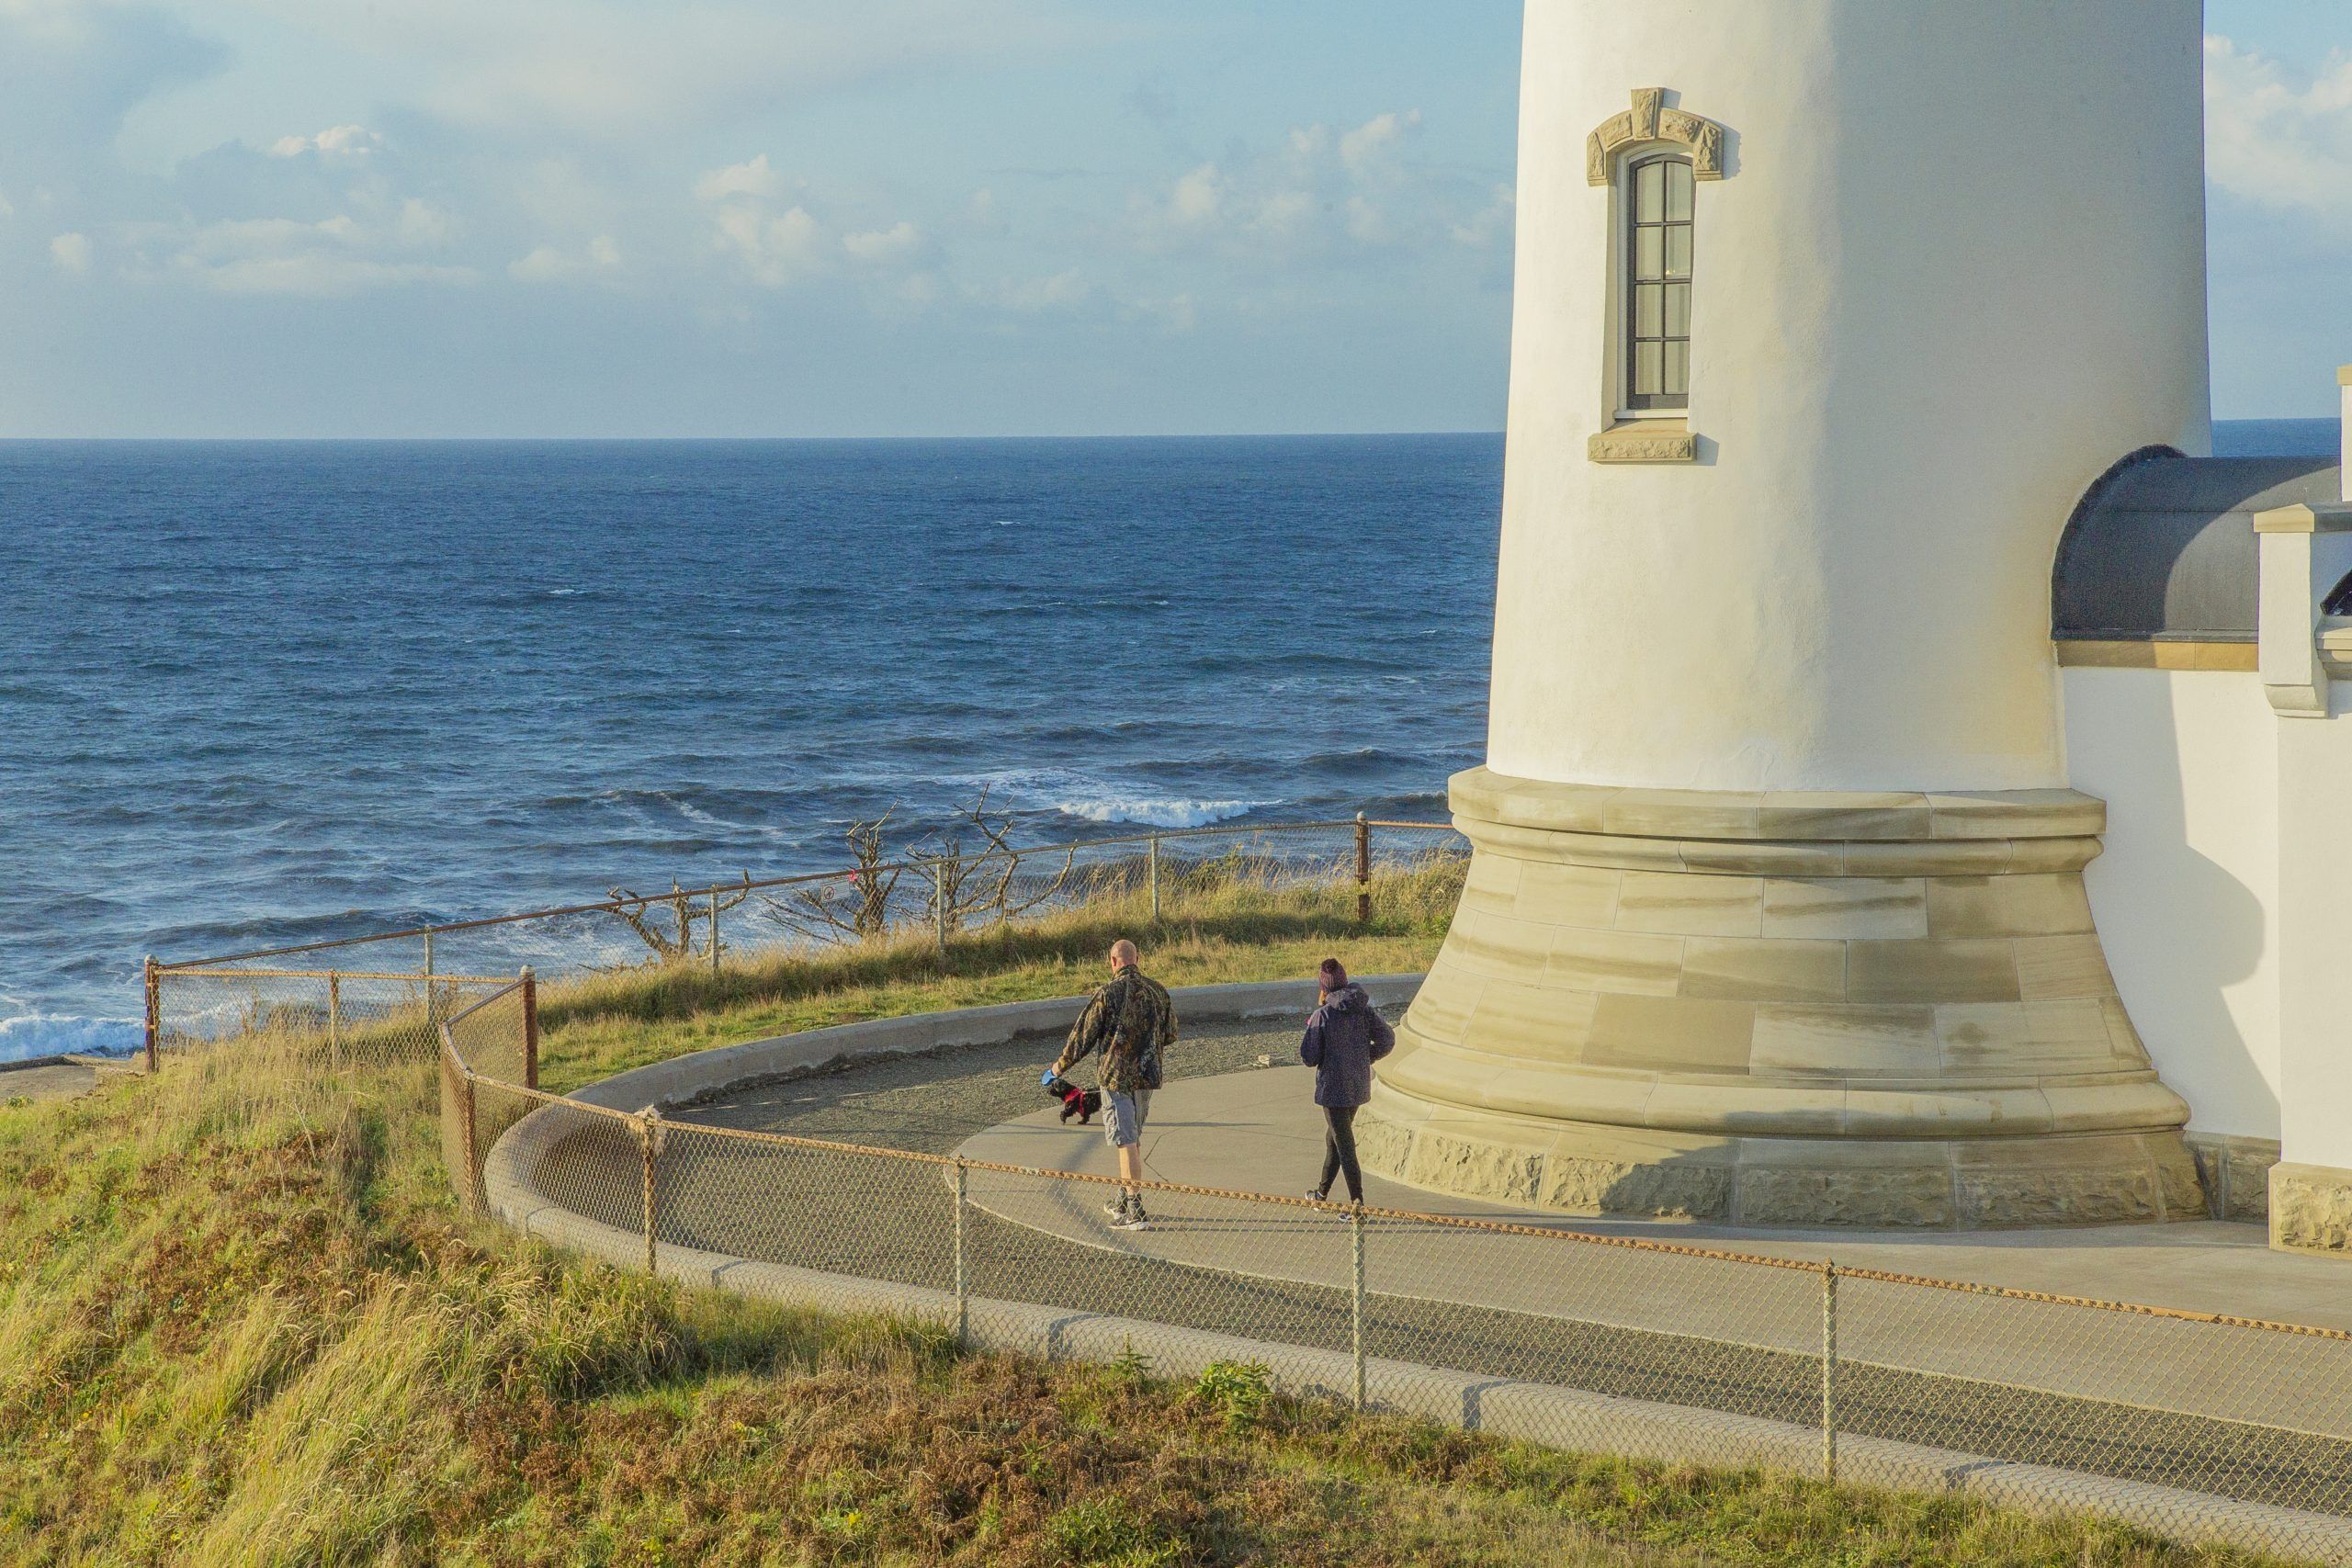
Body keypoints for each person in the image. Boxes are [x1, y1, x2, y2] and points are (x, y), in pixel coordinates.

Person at [1045, 938, 1176, 1231]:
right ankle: (1122, 1196)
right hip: (1147, 1075)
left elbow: (1082, 1037)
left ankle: (1135, 1207)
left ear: (1113, 962)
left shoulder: (1108, 993)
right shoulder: (1158, 992)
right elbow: (1171, 1033)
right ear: (1137, 959)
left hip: (1116, 1077)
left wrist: (1058, 1067)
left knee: (1124, 1139)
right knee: (1133, 1138)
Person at [1299, 958, 1393, 1206]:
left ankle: (1357, 1203)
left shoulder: (1323, 1016)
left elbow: (1309, 1057)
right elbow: (1387, 1039)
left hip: (1333, 1090)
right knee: (1335, 1139)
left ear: (1323, 987)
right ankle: (1321, 1194)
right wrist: (1364, 1059)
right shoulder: (1363, 1009)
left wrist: (1311, 1027)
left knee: (1344, 1145)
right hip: (1357, 1086)